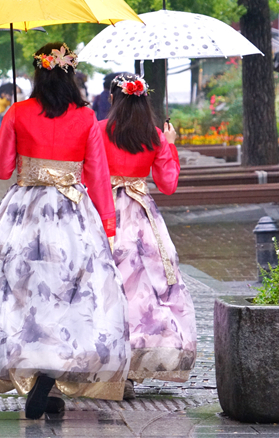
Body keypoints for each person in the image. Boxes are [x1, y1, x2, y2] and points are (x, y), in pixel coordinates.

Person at [0, 42, 130, 419]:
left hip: (24, 211)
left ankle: (30, 364)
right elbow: (97, 175)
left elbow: (1, 169)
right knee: (70, 293)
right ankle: (51, 374)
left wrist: (16, 132)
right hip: (73, 214)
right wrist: (107, 223)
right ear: (70, 73)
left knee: (18, 290)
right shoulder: (86, 117)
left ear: (38, 73)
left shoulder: (18, 112)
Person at [98, 73, 197, 399]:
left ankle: (102, 364)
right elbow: (168, 184)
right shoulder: (153, 136)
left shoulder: (98, 130)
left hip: (104, 212)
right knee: (145, 289)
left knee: (103, 285)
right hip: (141, 217)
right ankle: (135, 365)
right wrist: (169, 143)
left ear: (112, 99)